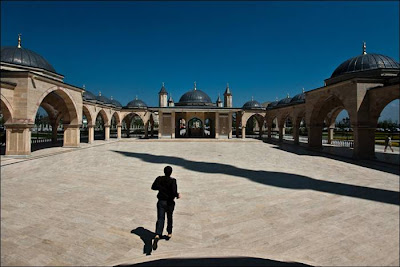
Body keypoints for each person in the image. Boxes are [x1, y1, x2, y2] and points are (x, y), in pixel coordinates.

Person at [151, 166, 181, 250]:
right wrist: (178, 195)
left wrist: (161, 188)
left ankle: (158, 234)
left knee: (160, 218)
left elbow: (153, 187)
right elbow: (174, 192)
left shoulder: (159, 179)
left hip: (161, 201)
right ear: (171, 172)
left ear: (164, 171)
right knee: (169, 217)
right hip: (169, 202)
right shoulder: (173, 181)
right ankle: (169, 233)